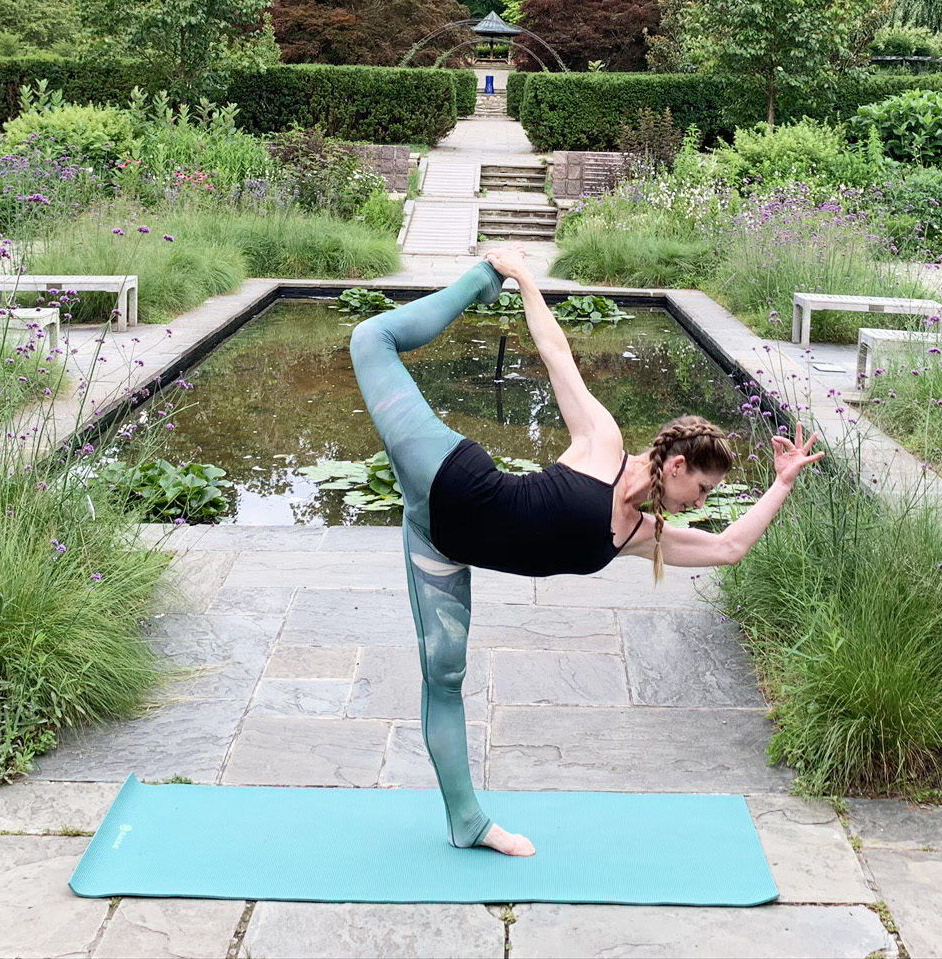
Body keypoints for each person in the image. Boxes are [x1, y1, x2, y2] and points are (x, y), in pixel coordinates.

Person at [348, 247, 823, 857]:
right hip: (446, 477)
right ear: (676, 465)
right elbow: (557, 357)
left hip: (437, 540)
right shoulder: (603, 444)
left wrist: (781, 485)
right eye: (699, 489)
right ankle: (478, 281)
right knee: (371, 339)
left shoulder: (637, 536)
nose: (697, 504)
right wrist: (519, 277)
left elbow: (729, 547)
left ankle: (465, 822)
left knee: (445, 676)